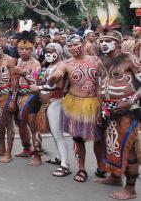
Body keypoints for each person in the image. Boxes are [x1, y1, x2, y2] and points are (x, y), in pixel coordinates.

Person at [93, 6, 141, 200]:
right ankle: (114, 177)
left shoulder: (129, 59)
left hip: (128, 110)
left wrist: (129, 102)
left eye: (108, 41)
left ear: (118, 44)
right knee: (111, 144)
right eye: (101, 41)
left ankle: (130, 189)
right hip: (108, 110)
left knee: (128, 149)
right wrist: (98, 109)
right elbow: (99, 87)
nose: (104, 44)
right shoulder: (101, 62)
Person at [48, 34, 105, 183]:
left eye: (75, 44)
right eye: (70, 45)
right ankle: (81, 169)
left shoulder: (96, 61)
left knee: (99, 139)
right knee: (78, 139)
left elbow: (103, 81)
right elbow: (52, 79)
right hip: (75, 104)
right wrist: (55, 77)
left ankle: (101, 168)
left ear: (83, 43)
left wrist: (102, 103)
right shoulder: (66, 63)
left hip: (95, 103)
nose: (73, 47)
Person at [30, 43, 71, 176]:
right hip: (47, 103)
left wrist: (39, 88)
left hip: (56, 102)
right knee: (54, 133)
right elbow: (42, 81)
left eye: (51, 52)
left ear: (59, 53)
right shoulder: (49, 66)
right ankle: (59, 158)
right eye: (46, 52)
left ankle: (65, 165)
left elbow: (58, 86)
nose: (48, 54)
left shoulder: (61, 66)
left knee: (57, 133)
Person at [15, 25, 41, 165]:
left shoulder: (35, 64)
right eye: (21, 49)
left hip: (32, 97)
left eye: (27, 49)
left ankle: (37, 155)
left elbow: (37, 83)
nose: (24, 51)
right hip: (20, 96)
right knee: (21, 124)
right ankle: (26, 148)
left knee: (32, 125)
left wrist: (24, 73)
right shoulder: (18, 61)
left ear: (32, 49)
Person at [0, 37, 17, 163]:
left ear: (3, 47)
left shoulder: (10, 60)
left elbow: (14, 80)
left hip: (7, 95)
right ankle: (1, 148)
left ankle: (8, 153)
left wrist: (13, 99)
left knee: (8, 123)